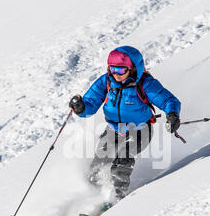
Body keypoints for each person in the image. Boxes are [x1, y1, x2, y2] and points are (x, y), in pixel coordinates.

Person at [69, 46, 181, 200]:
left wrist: (173, 114)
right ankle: (90, 198)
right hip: (113, 129)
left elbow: (169, 100)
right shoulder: (106, 81)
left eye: (121, 71)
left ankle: (116, 199)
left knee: (123, 160)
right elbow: (90, 104)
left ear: (134, 69)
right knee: (97, 166)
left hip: (141, 130)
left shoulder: (145, 84)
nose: (116, 74)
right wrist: (81, 107)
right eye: (112, 69)